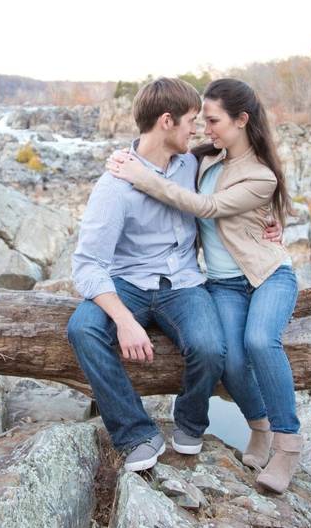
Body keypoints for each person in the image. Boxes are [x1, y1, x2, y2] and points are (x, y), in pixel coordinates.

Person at [107, 78, 302, 493]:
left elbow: (208, 207)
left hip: (269, 277)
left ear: (241, 120)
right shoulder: (204, 160)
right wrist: (129, 161)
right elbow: (158, 146)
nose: (204, 128)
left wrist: (143, 179)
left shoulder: (261, 177)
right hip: (223, 284)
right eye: (202, 120)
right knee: (228, 361)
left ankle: (287, 447)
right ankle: (259, 425)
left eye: (212, 120)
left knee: (260, 341)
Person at [67, 77, 226, 473]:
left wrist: (269, 221)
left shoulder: (192, 163)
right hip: (129, 284)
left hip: (185, 283)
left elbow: (243, 164)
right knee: (82, 329)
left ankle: (189, 421)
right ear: (167, 121)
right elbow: (87, 265)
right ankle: (136, 433)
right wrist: (123, 321)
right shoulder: (114, 186)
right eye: (192, 120)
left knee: (208, 347)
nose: (198, 128)